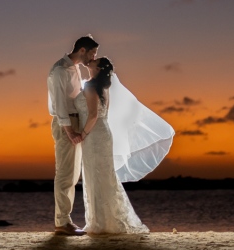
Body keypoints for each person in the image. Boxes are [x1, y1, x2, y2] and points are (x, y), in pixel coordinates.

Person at [76, 57, 164, 235]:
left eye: (95, 61)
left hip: (94, 134)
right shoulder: (102, 87)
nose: (91, 60)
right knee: (102, 176)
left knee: (97, 176)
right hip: (103, 132)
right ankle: (102, 221)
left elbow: (93, 115)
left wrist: (82, 135)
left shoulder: (91, 86)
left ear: (99, 68)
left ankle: (100, 222)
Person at [47, 35, 98, 236]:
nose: (94, 57)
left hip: (75, 120)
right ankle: (61, 222)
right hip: (66, 123)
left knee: (73, 173)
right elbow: (59, 104)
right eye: (92, 53)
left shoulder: (75, 68)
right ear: (82, 50)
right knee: (65, 173)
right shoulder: (60, 71)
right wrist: (70, 131)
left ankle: (65, 220)